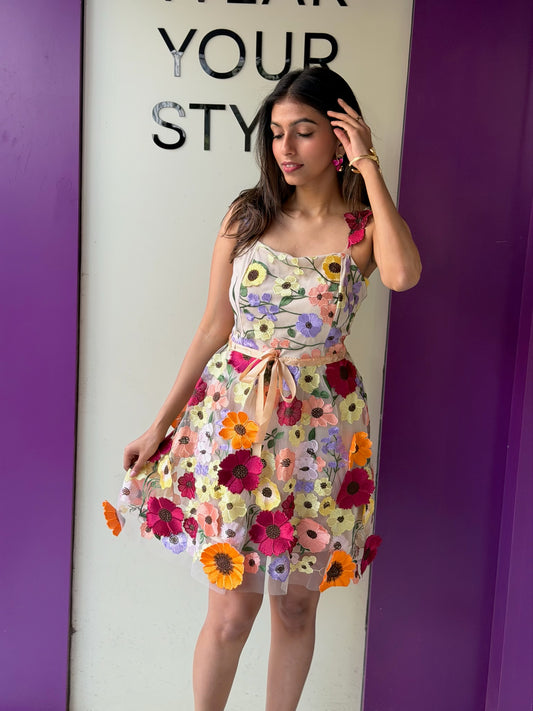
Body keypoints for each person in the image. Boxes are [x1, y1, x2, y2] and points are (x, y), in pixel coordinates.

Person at [103, 66, 421, 711]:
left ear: (340, 135)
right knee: (229, 612)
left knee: (297, 609)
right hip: (236, 426)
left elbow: (403, 274)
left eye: (304, 131)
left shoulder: (363, 226)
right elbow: (212, 327)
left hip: (322, 433)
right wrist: (159, 425)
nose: (286, 148)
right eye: (276, 133)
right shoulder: (248, 214)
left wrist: (369, 166)